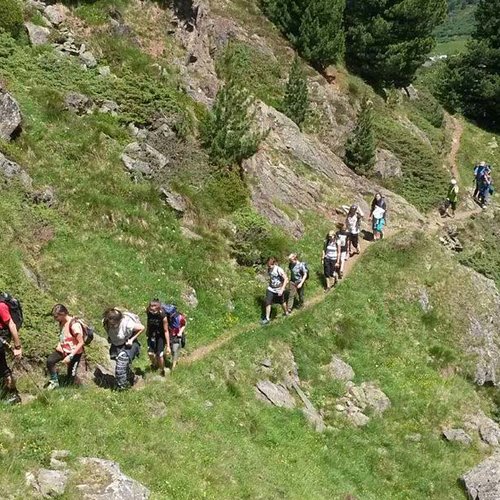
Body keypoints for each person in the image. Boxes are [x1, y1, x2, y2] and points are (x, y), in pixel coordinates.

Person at [102, 308, 145, 390]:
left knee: (121, 365)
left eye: (114, 324)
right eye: (110, 324)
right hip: (116, 345)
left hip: (128, 345)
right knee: (123, 365)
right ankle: (131, 378)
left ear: (119, 321)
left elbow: (142, 328)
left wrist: (132, 339)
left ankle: (122, 387)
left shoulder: (127, 324)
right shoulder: (105, 322)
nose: (111, 326)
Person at [46, 304, 84, 390]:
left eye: (56, 316)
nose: (55, 319)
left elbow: (81, 342)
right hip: (64, 350)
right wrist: (60, 344)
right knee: (50, 361)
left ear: (63, 314)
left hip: (74, 353)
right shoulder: (61, 322)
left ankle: (73, 389)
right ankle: (54, 381)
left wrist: (70, 356)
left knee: (71, 376)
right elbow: (63, 335)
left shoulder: (74, 325)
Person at [0, 298, 22, 404]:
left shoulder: (1, 306)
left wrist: (17, 347)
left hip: (1, 339)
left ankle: (13, 395)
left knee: (3, 368)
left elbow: (11, 325)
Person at [146, 300, 170, 376]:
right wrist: (147, 331)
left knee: (160, 354)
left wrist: (168, 346)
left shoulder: (162, 315)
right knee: (150, 353)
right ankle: (155, 365)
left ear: (158, 307)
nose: (152, 308)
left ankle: (162, 370)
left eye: (154, 306)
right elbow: (148, 322)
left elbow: (166, 331)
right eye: (151, 306)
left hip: (160, 336)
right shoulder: (149, 313)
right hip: (152, 335)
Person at [261, 257, 288, 325]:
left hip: (279, 289)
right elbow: (271, 278)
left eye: (270, 265)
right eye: (268, 265)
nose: (269, 266)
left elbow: (286, 279)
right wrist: (270, 285)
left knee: (282, 302)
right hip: (271, 288)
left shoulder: (279, 269)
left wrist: (282, 289)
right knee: (268, 302)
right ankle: (267, 319)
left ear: (273, 264)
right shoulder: (269, 269)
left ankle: (286, 312)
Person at [164, 304, 186, 370]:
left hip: (176, 336)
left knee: (174, 349)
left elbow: (184, 324)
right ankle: (170, 359)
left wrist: (180, 332)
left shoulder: (179, 317)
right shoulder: (166, 317)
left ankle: (173, 366)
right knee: (170, 348)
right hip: (169, 335)